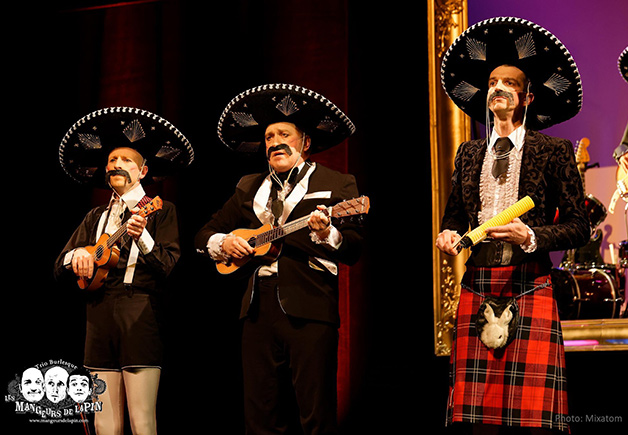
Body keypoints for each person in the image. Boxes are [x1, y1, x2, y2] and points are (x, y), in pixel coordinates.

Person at [436, 17, 590, 434]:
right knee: (478, 417)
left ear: (527, 97)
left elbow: (580, 226)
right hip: (478, 282)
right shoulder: (469, 153)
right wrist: (449, 233)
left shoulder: (553, 150)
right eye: (492, 83)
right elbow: (454, 215)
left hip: (529, 281)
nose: (498, 88)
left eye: (509, 83)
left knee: (533, 419)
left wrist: (532, 235)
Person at [195, 83, 364, 434]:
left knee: (315, 412)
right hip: (257, 309)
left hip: (310, 304)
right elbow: (203, 235)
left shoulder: (337, 183)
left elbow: (354, 248)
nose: (275, 142)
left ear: (306, 142)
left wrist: (326, 233)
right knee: (260, 412)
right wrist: (225, 242)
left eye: (284, 135)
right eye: (269, 137)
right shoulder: (248, 187)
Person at [54, 107, 194, 434]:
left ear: (143, 171)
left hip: (139, 310)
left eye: (126, 160)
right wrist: (78, 255)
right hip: (98, 312)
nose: (116, 164)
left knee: (141, 419)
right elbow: (59, 265)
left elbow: (168, 265)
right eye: (112, 160)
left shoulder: (160, 210)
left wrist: (142, 236)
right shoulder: (95, 217)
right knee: (103, 420)